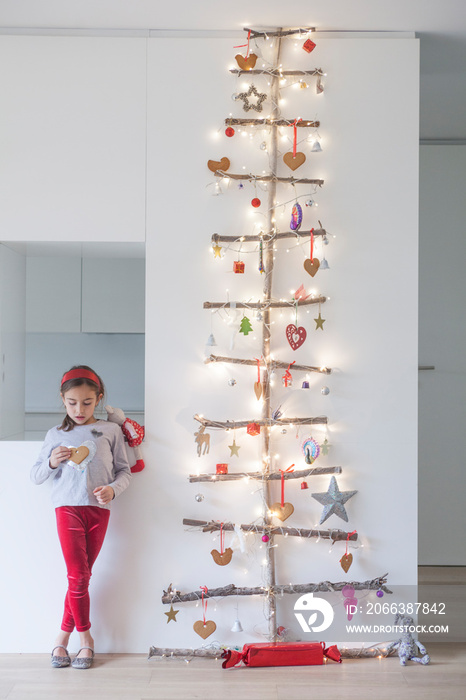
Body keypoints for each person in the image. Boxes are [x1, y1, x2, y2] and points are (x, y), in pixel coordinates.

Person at [31, 365, 131, 669]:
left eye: (87, 402)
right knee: (77, 575)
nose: (79, 409)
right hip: (67, 509)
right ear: (62, 399)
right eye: (72, 402)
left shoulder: (111, 431)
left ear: (99, 398)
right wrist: (51, 461)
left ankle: (61, 640)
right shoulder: (55, 434)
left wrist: (113, 490)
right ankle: (86, 640)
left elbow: (124, 471)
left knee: (82, 578)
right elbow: (36, 476)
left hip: (99, 511)